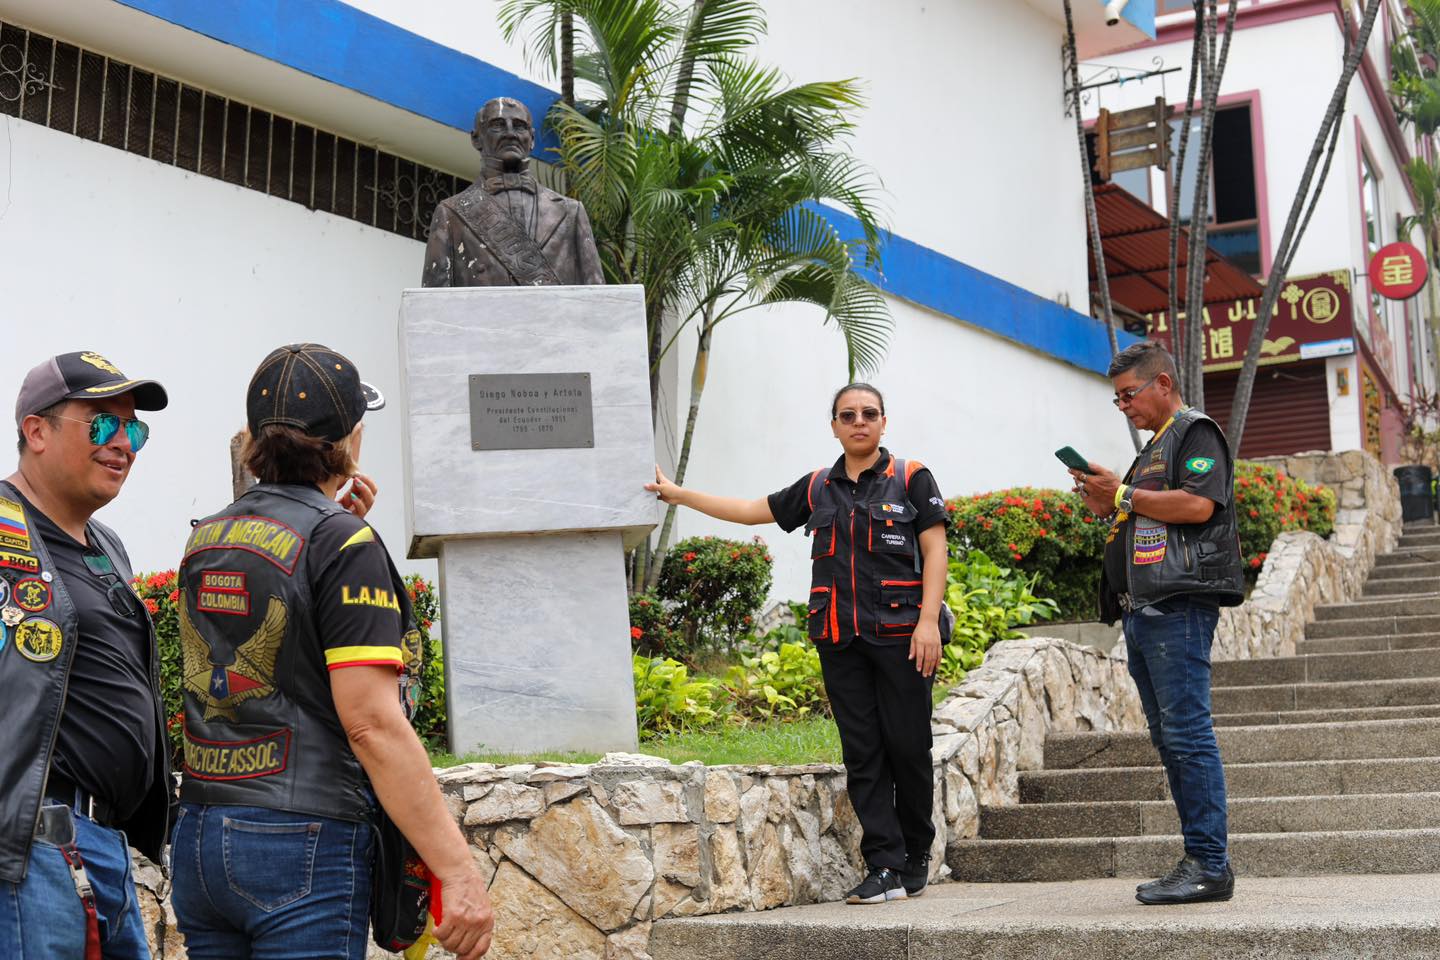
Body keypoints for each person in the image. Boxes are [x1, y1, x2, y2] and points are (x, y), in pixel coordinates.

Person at [169, 343, 494, 960]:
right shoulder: (342, 543)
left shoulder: (207, 537)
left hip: (201, 835)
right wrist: (457, 869)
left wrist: (333, 523)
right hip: (300, 838)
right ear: (348, 438)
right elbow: (372, 723)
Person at [648, 383, 949, 904]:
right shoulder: (816, 488)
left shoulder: (911, 479)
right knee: (863, 754)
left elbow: (935, 548)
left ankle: (916, 852)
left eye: (869, 414)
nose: (859, 422)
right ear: (833, 425)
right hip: (839, 638)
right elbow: (749, 509)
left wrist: (927, 622)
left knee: (907, 746)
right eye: (848, 415)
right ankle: (884, 864)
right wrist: (679, 494)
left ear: (883, 422)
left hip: (902, 637)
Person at [0, 351, 173, 959]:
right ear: (36, 430)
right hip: (30, 850)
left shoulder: (108, 544)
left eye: (135, 429)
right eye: (101, 423)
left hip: (105, 844)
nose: (122, 443)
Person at [1067, 341, 1243, 906]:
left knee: (1188, 734)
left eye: (1128, 395)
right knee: (1171, 739)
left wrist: (1121, 492)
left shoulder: (1196, 432)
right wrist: (1109, 498)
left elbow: (1197, 506)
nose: (1123, 407)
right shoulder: (1153, 452)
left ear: (1162, 383)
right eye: (1116, 399)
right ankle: (1198, 858)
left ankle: (1211, 865)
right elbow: (1140, 507)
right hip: (1143, 607)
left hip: (1179, 605)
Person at [421, 96, 604, 287]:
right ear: (476, 139)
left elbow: (599, 296)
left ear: (532, 139)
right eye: (498, 125)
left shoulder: (571, 213)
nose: (510, 133)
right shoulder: (451, 213)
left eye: (519, 126)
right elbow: (434, 301)